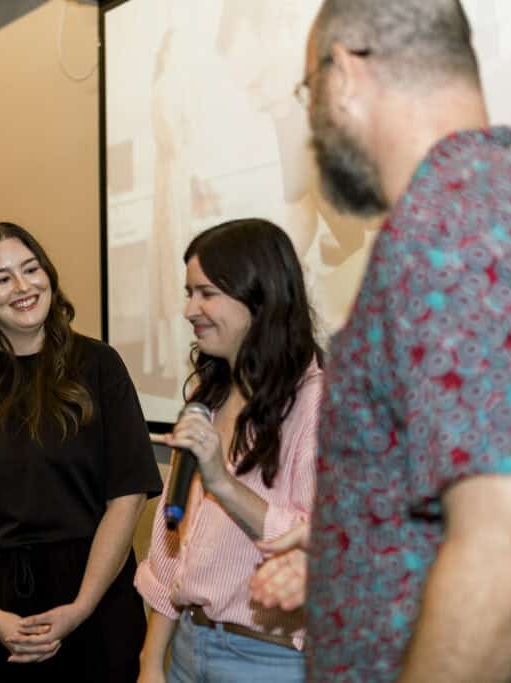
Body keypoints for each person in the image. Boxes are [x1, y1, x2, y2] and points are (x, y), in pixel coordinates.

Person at [255, 1, 511, 680]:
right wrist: (356, 551)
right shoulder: (490, 199)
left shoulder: (449, 227)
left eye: (309, 93)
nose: (312, 124)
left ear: (345, 74)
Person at [0, 222, 162, 683]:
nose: (23, 286)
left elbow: (127, 498)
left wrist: (81, 607)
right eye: (2, 278)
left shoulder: (100, 365)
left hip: (95, 597)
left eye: (31, 269)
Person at [135, 218, 324, 683]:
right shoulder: (209, 394)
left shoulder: (319, 405)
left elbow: (324, 543)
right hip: (187, 645)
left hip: (269, 662)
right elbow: (171, 540)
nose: (189, 310)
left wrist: (223, 483)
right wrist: (150, 661)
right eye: (188, 293)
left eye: (206, 293)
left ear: (259, 297)